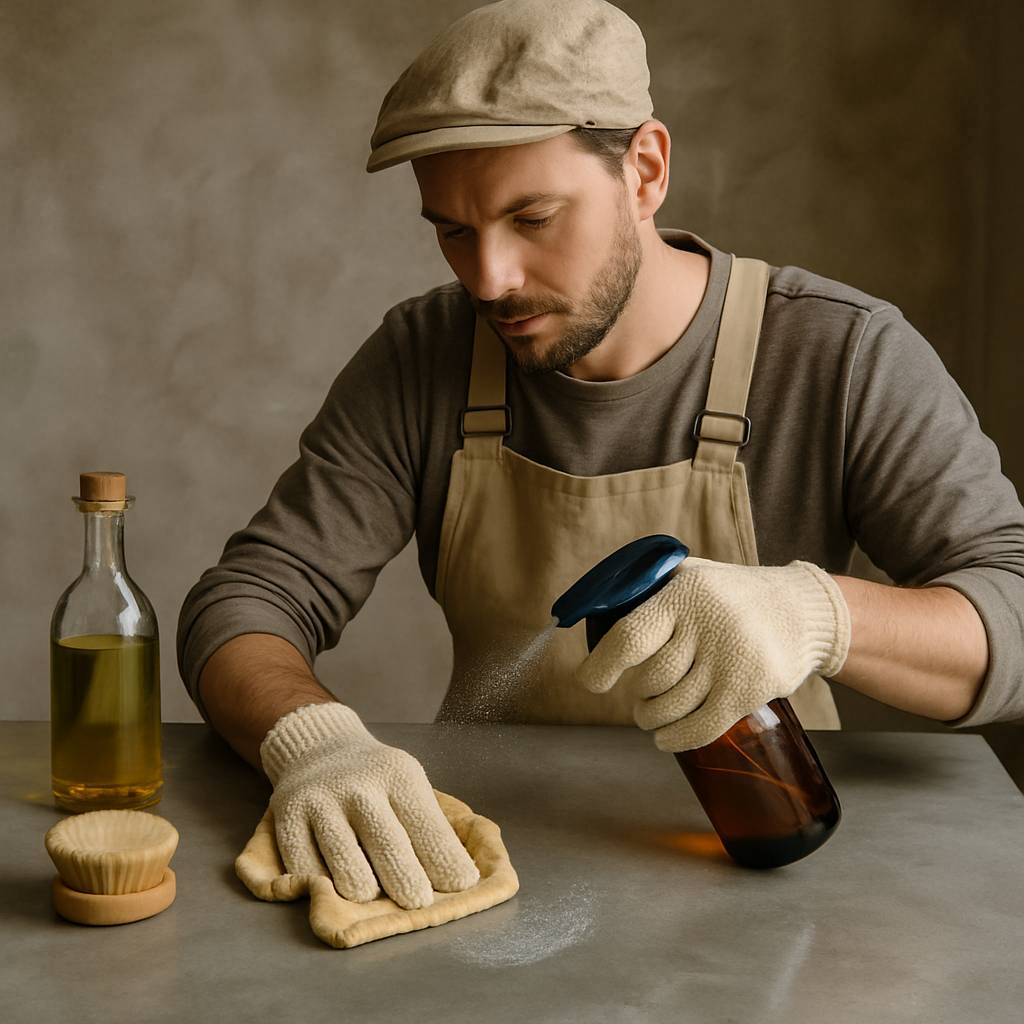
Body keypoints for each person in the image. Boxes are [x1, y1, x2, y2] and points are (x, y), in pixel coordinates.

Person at [177, 0, 1024, 910]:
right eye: (453, 230)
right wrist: (312, 740)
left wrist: (818, 614)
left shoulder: (843, 354)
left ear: (645, 170)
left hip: (764, 871)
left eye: (532, 217)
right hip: (497, 877)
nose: (490, 279)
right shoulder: (422, 360)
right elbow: (245, 601)